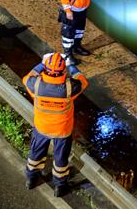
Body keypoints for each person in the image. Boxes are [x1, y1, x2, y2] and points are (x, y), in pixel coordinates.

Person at [23, 52, 89, 197]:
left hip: (42, 127)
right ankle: (59, 187)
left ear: (45, 69)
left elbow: (27, 78)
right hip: (62, 130)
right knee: (60, 159)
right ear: (63, 71)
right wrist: (72, 67)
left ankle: (31, 179)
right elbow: (83, 81)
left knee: (36, 154)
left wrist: (41, 64)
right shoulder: (69, 88)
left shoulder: (36, 84)